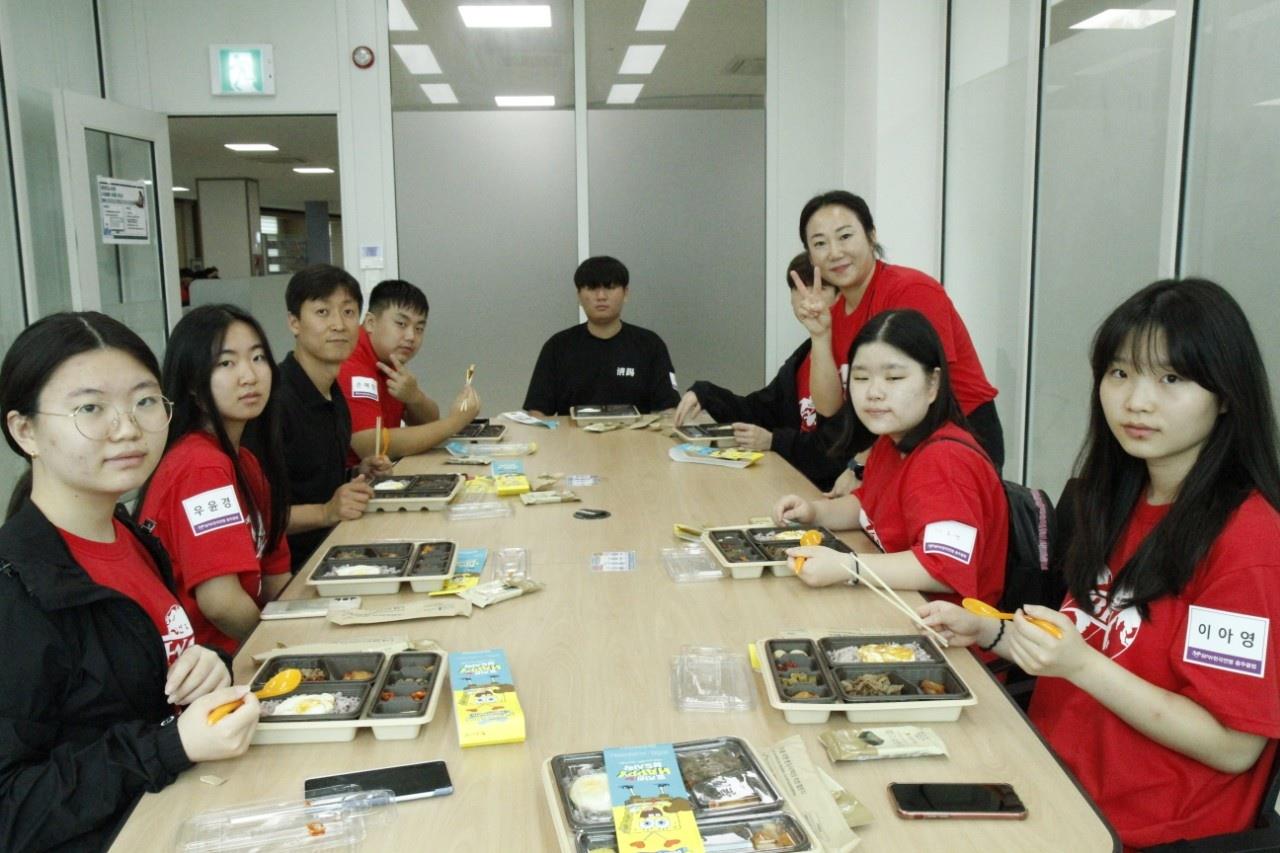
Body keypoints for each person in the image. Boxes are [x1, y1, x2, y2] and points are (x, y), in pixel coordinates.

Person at [919, 279, 1280, 849]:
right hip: (1046, 778)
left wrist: (1080, 665)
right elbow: (1098, 639)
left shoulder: (1249, 542)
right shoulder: (1119, 497)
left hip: (1135, 829)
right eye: (1120, 373)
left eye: (1171, 379)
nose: (1137, 401)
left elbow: (1233, 745)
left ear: (1227, 393)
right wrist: (994, 631)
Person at [0, 312, 258, 851]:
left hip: (184, 813)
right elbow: (11, 808)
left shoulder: (131, 537)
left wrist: (210, 666)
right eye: (91, 409)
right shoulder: (17, 590)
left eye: (144, 401)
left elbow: (135, 687)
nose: (127, 428)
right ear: (25, 431)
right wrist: (170, 745)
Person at [774, 309, 1008, 607]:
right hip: (896, 602)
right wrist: (814, 513)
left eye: (894, 377)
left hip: (944, 627)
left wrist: (848, 567)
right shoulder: (891, 440)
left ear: (933, 384)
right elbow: (867, 506)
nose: (874, 392)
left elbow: (943, 568)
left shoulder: (946, 461)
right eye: (861, 377)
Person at [789, 190, 1004, 470]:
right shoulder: (836, 313)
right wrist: (819, 336)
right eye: (820, 243)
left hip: (957, 434)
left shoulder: (911, 290)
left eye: (845, 236)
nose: (835, 252)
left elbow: (927, 392)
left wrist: (862, 467)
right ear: (810, 255)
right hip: (897, 440)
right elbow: (828, 407)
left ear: (871, 236)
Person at [138, 305, 292, 656]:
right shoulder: (201, 467)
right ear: (193, 385)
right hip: (206, 665)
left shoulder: (245, 461)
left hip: (234, 651)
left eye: (258, 358)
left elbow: (276, 579)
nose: (249, 376)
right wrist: (283, 649)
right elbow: (221, 603)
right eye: (226, 363)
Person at [248, 264, 391, 572]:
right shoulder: (273, 402)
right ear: (294, 323)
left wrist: (357, 473)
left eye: (348, 312)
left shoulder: (333, 393)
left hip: (337, 548)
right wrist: (326, 512)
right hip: (292, 570)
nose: (338, 324)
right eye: (323, 312)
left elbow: (309, 480)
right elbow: (256, 516)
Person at [674, 253, 848, 491]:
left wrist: (774, 441)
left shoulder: (851, 358)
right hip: (791, 479)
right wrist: (706, 394)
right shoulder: (803, 357)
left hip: (829, 492)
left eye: (819, 287)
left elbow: (837, 450)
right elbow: (760, 409)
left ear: (840, 296)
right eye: (797, 288)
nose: (807, 297)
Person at [338, 278, 479, 462]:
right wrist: (456, 422)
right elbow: (373, 446)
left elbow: (429, 422)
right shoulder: (349, 361)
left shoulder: (389, 357)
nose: (411, 336)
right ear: (371, 322)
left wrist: (415, 398)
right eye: (401, 324)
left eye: (419, 328)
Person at [523, 255, 680, 417]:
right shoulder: (557, 346)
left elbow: (668, 409)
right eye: (592, 288)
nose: (601, 296)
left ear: (626, 293)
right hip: (573, 433)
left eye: (610, 287)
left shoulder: (650, 344)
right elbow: (537, 412)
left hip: (635, 433)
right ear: (579, 296)